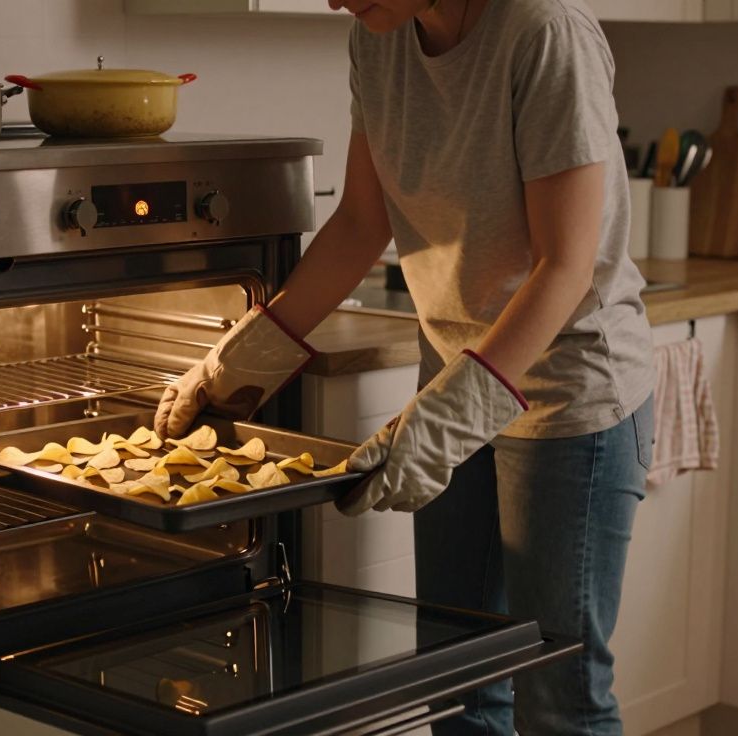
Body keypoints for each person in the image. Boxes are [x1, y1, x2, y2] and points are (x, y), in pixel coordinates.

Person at [155, 0, 655, 732]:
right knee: (460, 684)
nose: (334, 0)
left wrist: (448, 417)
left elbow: (565, 265)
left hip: (568, 399)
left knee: (562, 697)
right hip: (455, 386)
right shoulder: (377, 36)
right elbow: (363, 220)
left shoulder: (544, 33)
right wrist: (232, 366)